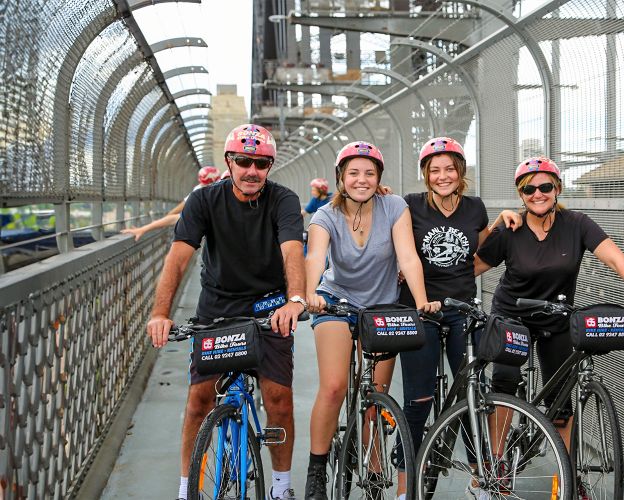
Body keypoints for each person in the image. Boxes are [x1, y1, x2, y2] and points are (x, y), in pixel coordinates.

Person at [474, 156, 624, 497]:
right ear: (521, 194)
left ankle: (568, 474)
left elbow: (613, 257)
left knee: (562, 401)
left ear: (557, 189)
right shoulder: (510, 228)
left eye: (545, 186)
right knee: (505, 381)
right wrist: (488, 230)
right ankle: (497, 462)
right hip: (512, 316)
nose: (537, 194)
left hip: (556, 316)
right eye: (528, 189)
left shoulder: (577, 224)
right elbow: (471, 267)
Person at [146, 124, 306, 500]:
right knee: (199, 400)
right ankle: (187, 489)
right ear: (229, 162)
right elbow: (179, 258)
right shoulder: (203, 200)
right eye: (244, 161)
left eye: (261, 164)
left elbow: (292, 250)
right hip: (217, 309)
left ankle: (281, 488)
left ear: (270, 166)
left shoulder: (282, 200)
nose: (252, 170)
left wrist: (295, 299)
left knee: (278, 398)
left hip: (269, 308)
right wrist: (160, 313)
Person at [303, 141, 441, 500]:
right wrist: (311, 292)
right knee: (333, 387)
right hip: (335, 302)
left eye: (369, 173)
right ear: (341, 178)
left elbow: (408, 257)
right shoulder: (325, 216)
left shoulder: (394, 207)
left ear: (379, 178)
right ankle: (316, 470)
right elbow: (315, 256)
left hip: (381, 308)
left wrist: (422, 300)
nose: (361, 180)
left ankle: (374, 467)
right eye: (353, 173)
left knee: (376, 397)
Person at [396, 137, 519, 500]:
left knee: (472, 394)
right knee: (417, 400)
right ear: (425, 175)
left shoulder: (474, 207)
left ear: (461, 172)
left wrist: (498, 222)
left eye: (450, 169)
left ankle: (481, 480)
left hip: (461, 310)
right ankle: (407, 486)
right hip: (420, 310)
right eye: (435, 170)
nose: (442, 176)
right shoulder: (409, 205)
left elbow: (477, 250)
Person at [122, 166, 220, 241]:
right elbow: (179, 213)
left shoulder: (199, 192)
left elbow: (177, 214)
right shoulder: (211, 194)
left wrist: (145, 228)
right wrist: (145, 228)